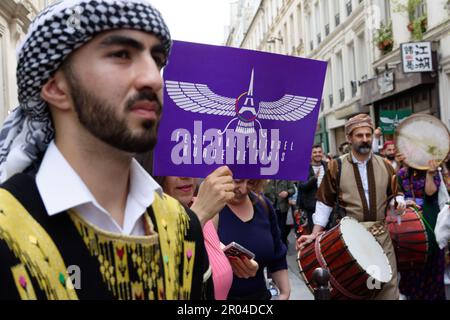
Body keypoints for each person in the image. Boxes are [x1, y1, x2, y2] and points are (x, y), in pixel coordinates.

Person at [0, 0, 235, 300]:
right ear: (55, 86)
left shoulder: (180, 225)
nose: (153, 78)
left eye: (157, 60)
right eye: (122, 54)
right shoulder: (7, 227)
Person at [297, 113, 406, 300]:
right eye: (359, 135)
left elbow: (394, 196)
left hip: (382, 238)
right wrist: (315, 234)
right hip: (350, 241)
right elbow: (324, 203)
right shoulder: (335, 166)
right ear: (349, 138)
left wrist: (398, 204)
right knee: (356, 290)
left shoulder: (386, 165)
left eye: (368, 135)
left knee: (387, 291)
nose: (365, 139)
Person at [156, 173, 258, 300]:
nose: (186, 175)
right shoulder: (147, 223)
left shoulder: (210, 214)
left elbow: (205, 247)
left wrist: (233, 258)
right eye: (174, 168)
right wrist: (199, 215)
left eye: (190, 163)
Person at [215, 179, 290, 300]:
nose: (244, 189)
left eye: (251, 182)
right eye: (238, 181)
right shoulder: (208, 208)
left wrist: (284, 293)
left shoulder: (262, 204)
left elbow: (277, 253)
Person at [396, 160, 447, 300]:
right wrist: (404, 202)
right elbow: (397, 196)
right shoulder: (402, 173)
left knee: (432, 270)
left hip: (430, 223)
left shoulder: (434, 170)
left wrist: (430, 174)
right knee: (411, 271)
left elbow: (430, 193)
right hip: (410, 227)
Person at [297, 144, 327, 233]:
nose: (317, 154)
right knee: (314, 233)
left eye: (319, 152)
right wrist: (314, 178)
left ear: (322, 153)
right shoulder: (305, 168)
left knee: (326, 233)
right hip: (312, 206)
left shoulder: (327, 165)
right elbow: (302, 186)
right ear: (310, 154)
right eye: (314, 152)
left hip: (327, 204)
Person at [263, 180, 296, 245]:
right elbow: (261, 190)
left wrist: (287, 193)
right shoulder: (266, 175)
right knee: (270, 229)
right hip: (269, 208)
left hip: (282, 208)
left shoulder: (285, 176)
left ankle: (282, 246)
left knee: (282, 230)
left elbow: (293, 189)